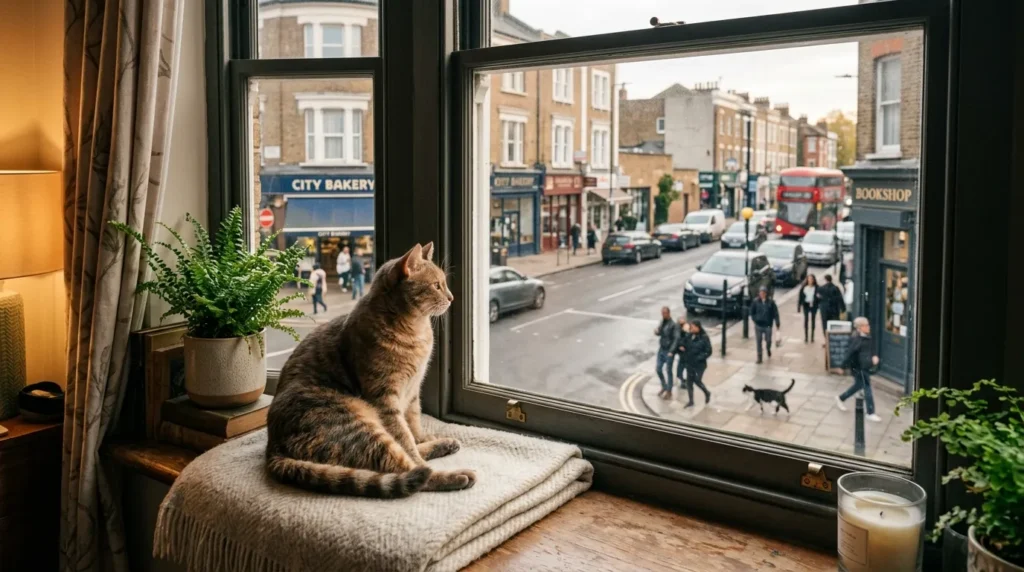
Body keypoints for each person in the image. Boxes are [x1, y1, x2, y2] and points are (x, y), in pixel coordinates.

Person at [835, 317, 882, 422]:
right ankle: (870, 412)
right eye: (866, 325)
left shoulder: (868, 337)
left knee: (858, 386)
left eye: (868, 325)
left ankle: (840, 398)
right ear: (860, 328)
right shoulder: (856, 340)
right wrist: (842, 367)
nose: (869, 327)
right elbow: (849, 354)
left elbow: (872, 348)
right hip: (858, 368)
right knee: (867, 388)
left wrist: (874, 356)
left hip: (865, 367)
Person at [683, 320, 712, 408]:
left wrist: (699, 358)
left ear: (698, 327)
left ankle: (707, 392)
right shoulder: (690, 336)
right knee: (689, 382)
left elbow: (709, 351)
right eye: (690, 327)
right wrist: (687, 333)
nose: (691, 329)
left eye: (693, 327)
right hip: (690, 363)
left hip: (699, 365)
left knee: (697, 380)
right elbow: (683, 343)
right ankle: (691, 401)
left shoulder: (704, 337)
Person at [749, 286, 780, 364]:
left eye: (763, 293)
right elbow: (752, 312)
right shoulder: (755, 302)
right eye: (760, 293)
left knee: (768, 340)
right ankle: (759, 357)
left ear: (766, 294)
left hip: (768, 325)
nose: (762, 294)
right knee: (758, 342)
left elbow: (775, 313)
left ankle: (768, 349)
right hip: (758, 325)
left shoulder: (771, 302)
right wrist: (755, 319)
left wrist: (777, 322)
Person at [654, 307, 679, 399]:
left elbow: (676, 339)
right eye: (662, 313)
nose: (663, 315)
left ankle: (669, 391)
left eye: (665, 313)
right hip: (661, 349)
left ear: (669, 313)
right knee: (658, 369)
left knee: (669, 371)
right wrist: (656, 332)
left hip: (668, 351)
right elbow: (660, 332)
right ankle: (664, 386)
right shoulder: (662, 322)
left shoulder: (673, 325)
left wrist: (672, 351)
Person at [816, 274, 846, 346]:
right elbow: (840, 299)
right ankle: (833, 340)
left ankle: (826, 341)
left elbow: (817, 298)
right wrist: (843, 308)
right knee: (834, 324)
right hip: (834, 309)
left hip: (824, 310)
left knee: (825, 325)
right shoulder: (835, 288)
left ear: (825, 280)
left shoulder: (821, 288)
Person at [797, 274, 819, 343]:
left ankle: (812, 337)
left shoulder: (817, 287)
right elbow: (800, 298)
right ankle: (806, 337)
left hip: (813, 305)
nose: (810, 280)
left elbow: (819, 297)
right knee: (806, 319)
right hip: (806, 304)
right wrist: (799, 307)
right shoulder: (804, 288)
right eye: (809, 279)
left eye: (811, 279)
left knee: (813, 320)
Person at [675, 317, 689, 390]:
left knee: (684, 365)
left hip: (686, 350)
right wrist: (680, 346)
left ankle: (683, 379)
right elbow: (677, 339)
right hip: (682, 350)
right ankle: (682, 380)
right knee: (682, 364)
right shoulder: (678, 329)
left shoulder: (686, 328)